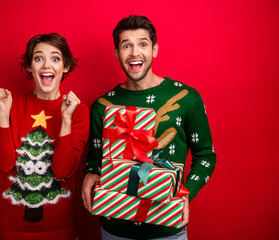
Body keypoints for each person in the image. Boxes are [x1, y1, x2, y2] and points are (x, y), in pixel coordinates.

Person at [82, 15, 216, 240]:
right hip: (114, 227)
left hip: (166, 227)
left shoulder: (186, 98)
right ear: (117, 53)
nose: (135, 52)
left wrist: (185, 194)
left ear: (154, 50)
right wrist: (90, 172)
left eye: (143, 44)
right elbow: (96, 156)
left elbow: (205, 156)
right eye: (127, 45)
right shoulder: (102, 106)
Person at [0, 33, 89, 240]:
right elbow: (2, 164)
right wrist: (2, 113)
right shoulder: (11, 104)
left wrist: (66, 120)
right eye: (38, 58)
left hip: (62, 232)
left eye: (55, 58)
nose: (46, 65)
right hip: (11, 232)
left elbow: (63, 170)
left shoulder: (78, 111)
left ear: (66, 67)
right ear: (29, 67)